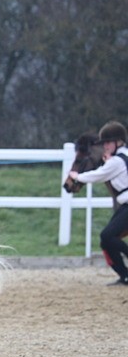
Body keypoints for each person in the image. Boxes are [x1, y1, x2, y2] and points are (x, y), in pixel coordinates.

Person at [69, 121, 128, 286]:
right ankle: (124, 275)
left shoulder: (116, 161)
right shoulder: (121, 158)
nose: (106, 146)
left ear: (118, 142)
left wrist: (77, 177)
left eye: (108, 143)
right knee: (106, 240)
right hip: (124, 206)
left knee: (107, 236)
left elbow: (98, 175)